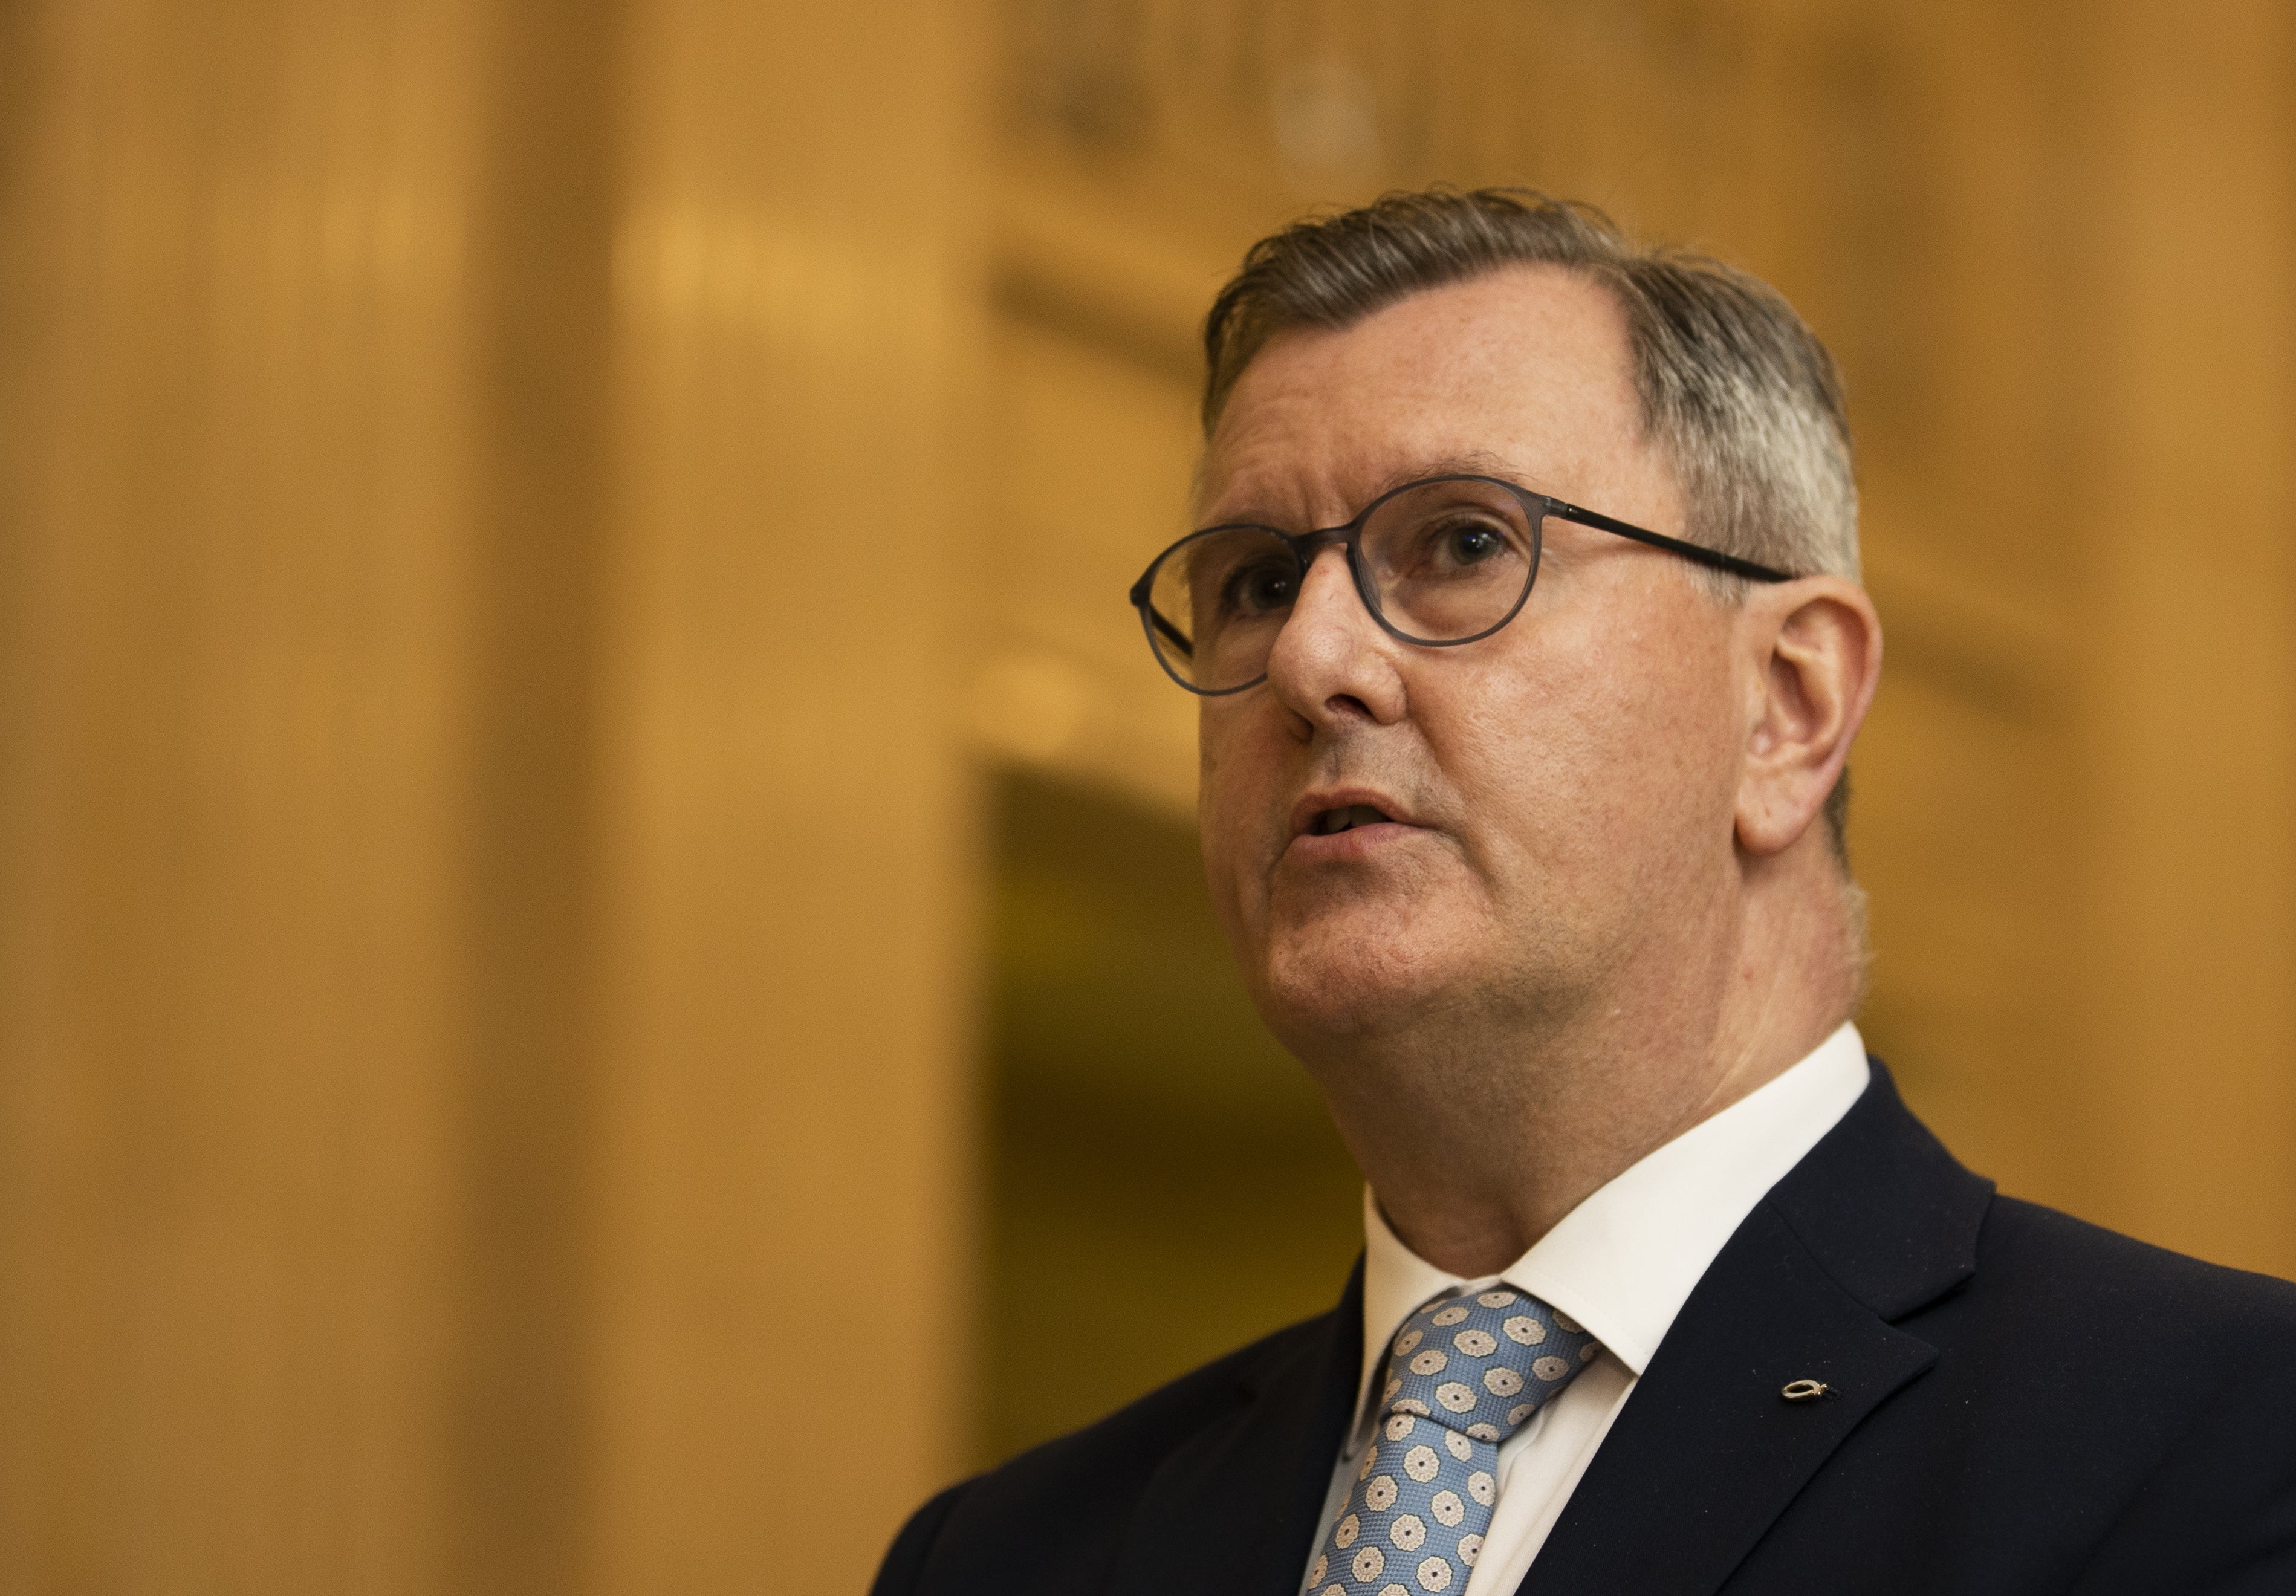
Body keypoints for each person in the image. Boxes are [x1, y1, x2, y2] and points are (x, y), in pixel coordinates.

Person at [872, 189, 2296, 1595]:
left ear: (1787, 708)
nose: (1312, 662)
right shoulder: (1007, 1559)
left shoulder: (2222, 1445)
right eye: (1253, 581)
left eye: (1465, 545)